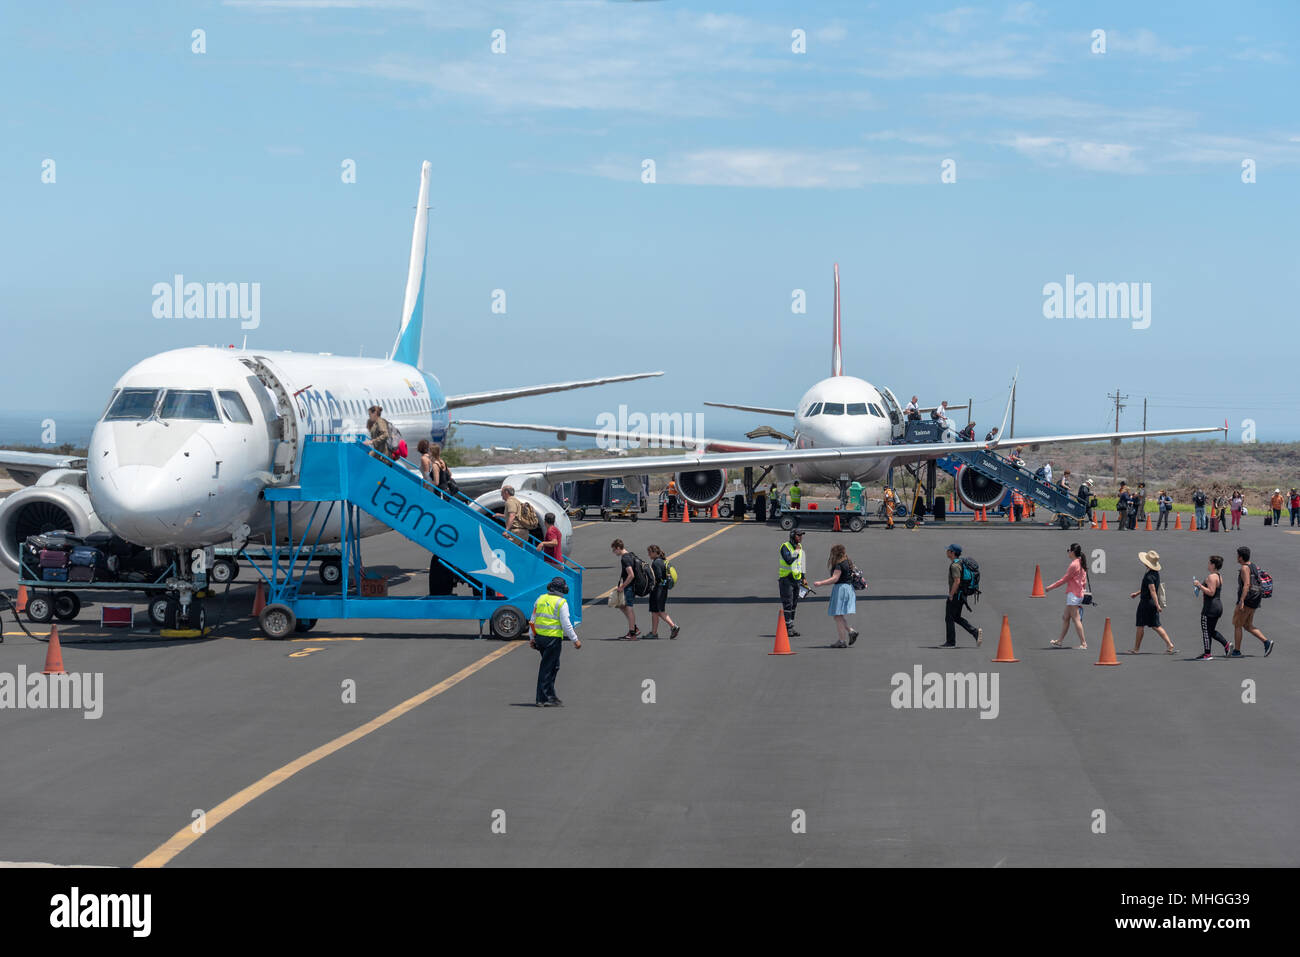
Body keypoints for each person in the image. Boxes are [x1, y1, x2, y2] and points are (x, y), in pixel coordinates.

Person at [529, 576, 581, 706]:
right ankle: (542, 698)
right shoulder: (561, 603)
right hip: (552, 639)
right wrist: (575, 639)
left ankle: (550, 695)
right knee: (547, 668)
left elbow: (532, 620)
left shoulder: (540, 599)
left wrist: (532, 637)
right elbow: (566, 624)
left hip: (540, 638)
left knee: (554, 666)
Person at [812, 543, 861, 648]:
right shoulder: (848, 562)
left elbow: (835, 578)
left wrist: (820, 583)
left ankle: (842, 641)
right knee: (838, 615)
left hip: (841, 590)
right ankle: (851, 632)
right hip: (848, 588)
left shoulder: (839, 564)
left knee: (837, 615)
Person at [1129, 549, 1175, 654]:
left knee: (1140, 625)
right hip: (1151, 603)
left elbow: (1153, 590)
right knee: (1156, 626)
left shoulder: (1149, 575)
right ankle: (1169, 644)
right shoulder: (1155, 573)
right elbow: (1149, 588)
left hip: (1146, 603)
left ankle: (1136, 649)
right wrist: (1137, 593)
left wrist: (1158, 605)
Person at [1045, 542, 1089, 650]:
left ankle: (1084, 643)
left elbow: (1064, 579)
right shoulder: (1080, 562)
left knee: (1076, 619)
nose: (1068, 552)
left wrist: (1050, 587)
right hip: (1077, 593)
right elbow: (1084, 579)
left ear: (1073, 552)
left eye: (1068, 550)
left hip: (1073, 595)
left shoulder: (1074, 564)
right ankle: (1059, 641)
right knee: (1066, 617)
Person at [1232, 546, 1274, 657]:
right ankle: (1266, 642)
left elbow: (1246, 584)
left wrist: (1241, 600)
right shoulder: (1253, 566)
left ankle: (1237, 651)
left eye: (1237, 555)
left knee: (1237, 624)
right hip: (1255, 599)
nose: (1236, 557)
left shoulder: (1244, 568)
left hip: (1247, 600)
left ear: (1241, 557)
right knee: (1247, 625)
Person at [943, 544, 982, 648]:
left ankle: (950, 642)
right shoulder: (960, 562)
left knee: (949, 618)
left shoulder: (955, 566)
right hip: (961, 594)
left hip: (956, 594)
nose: (946, 551)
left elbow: (957, 581)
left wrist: (951, 595)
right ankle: (975, 632)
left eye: (948, 550)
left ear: (952, 553)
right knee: (956, 617)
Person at [1193, 555, 1232, 659]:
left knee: (1206, 631)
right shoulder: (1219, 576)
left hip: (1210, 607)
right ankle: (1225, 646)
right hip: (1217, 606)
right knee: (1210, 630)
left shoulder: (1211, 577)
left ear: (1213, 565)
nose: (1208, 565)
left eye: (1209, 563)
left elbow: (1211, 592)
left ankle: (1208, 654)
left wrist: (1199, 586)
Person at [645, 543, 680, 639]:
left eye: (649, 553)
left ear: (654, 553)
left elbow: (658, 577)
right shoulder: (663, 561)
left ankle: (673, 626)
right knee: (655, 611)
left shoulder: (656, 563)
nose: (648, 555)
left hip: (657, 590)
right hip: (662, 590)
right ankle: (654, 633)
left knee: (658, 611)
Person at [777, 529, 807, 637]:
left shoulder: (800, 547)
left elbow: (801, 563)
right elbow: (788, 560)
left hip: (796, 579)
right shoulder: (785, 547)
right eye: (798, 535)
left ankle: (791, 626)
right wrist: (796, 552)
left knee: (794, 604)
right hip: (786, 579)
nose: (800, 537)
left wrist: (803, 578)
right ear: (793, 536)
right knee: (788, 603)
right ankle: (787, 627)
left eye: (801, 536)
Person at [610, 538, 641, 640]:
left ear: (618, 548)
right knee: (621, 605)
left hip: (629, 587)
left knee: (629, 608)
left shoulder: (625, 558)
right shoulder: (630, 555)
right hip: (630, 586)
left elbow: (631, 575)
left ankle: (632, 633)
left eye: (614, 550)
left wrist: (622, 587)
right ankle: (634, 628)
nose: (614, 553)